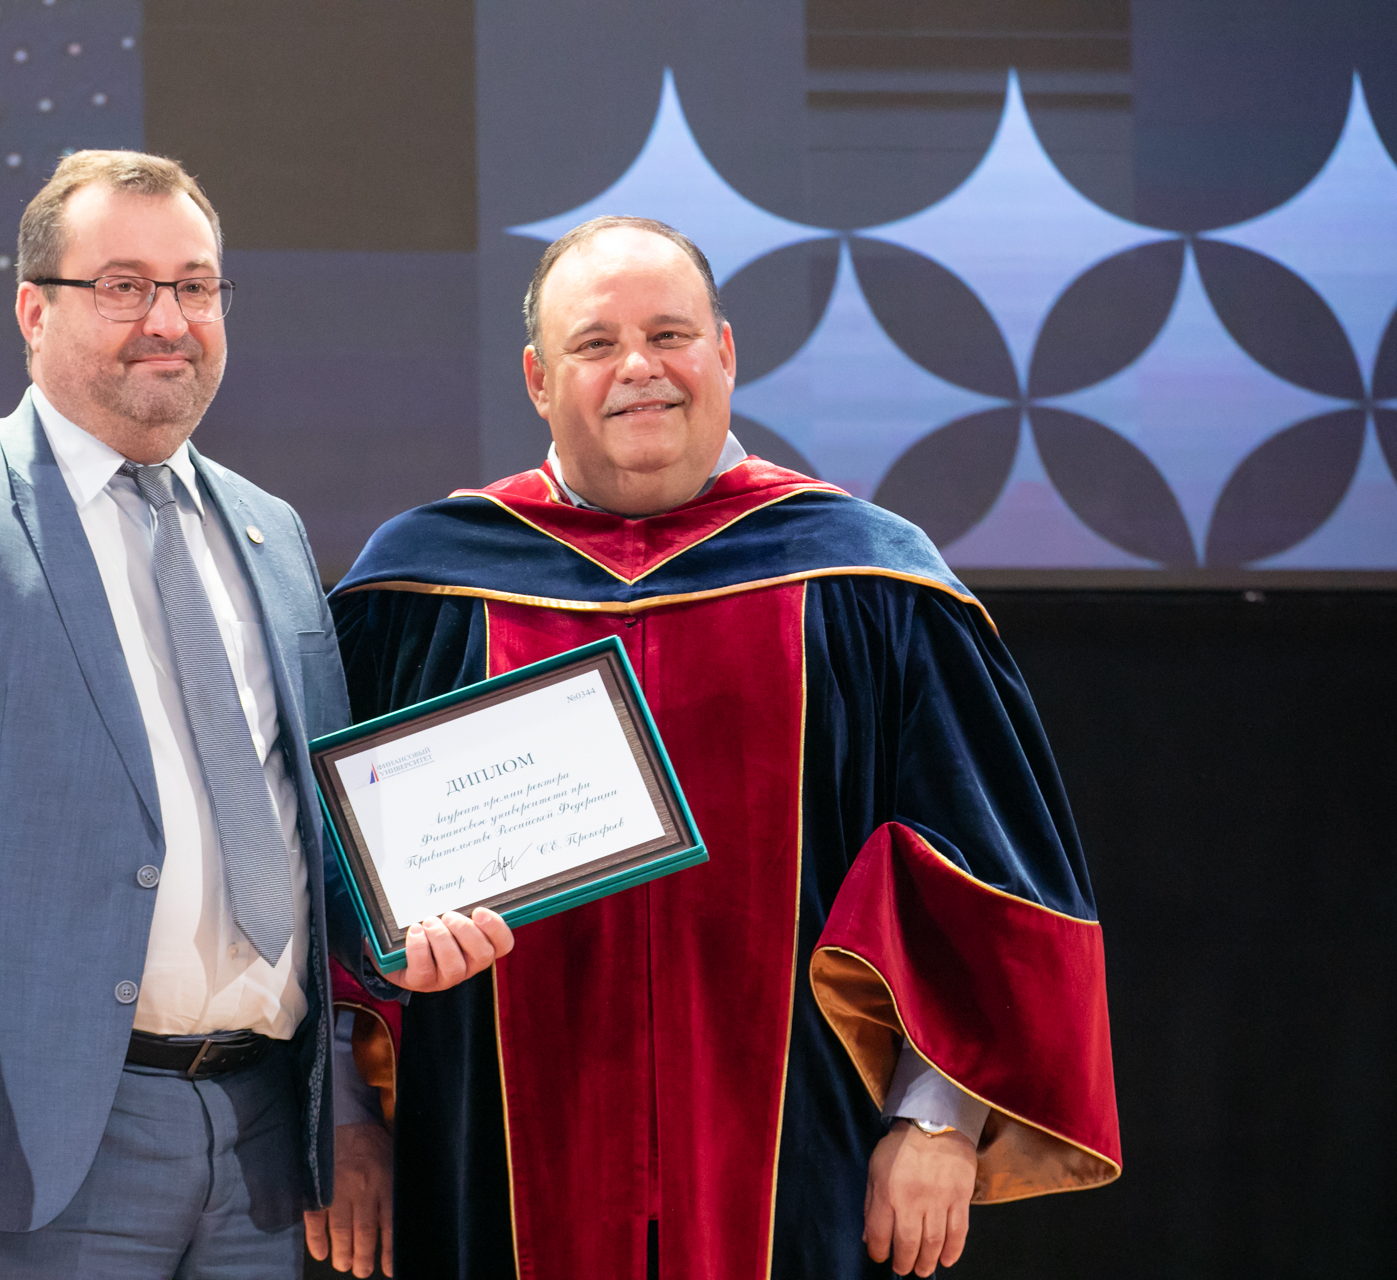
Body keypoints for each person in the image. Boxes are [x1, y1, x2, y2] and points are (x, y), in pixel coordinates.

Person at [0, 149, 506, 1278]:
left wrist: (367, 1054)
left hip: (267, 1140)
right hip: (28, 1132)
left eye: (195, 286)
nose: (168, 319)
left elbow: (311, 840)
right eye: (122, 286)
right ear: (33, 309)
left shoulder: (270, 531)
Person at [329, 216, 1122, 1278]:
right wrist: (344, 1118)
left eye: (670, 334)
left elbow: (982, 870)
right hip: (490, 1150)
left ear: (726, 352)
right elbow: (315, 880)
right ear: (537, 378)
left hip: (804, 1153)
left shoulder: (867, 580)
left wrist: (937, 1120)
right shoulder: (420, 588)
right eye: (596, 343)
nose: (639, 368)